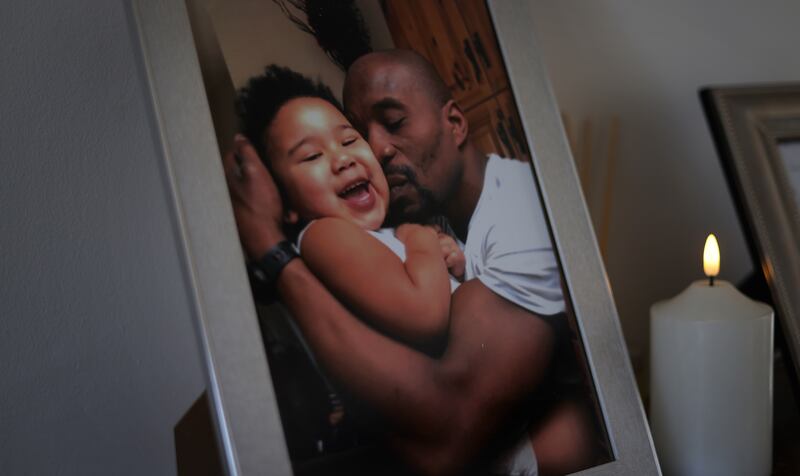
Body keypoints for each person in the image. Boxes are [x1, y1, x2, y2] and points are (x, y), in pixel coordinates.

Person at [224, 51, 596, 476]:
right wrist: (421, 244)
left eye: (353, 139)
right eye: (311, 156)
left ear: (455, 123)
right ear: (284, 199)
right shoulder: (346, 232)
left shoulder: (521, 215)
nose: (373, 150)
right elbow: (425, 316)